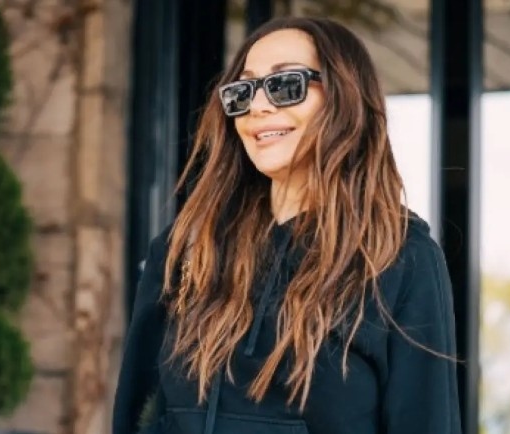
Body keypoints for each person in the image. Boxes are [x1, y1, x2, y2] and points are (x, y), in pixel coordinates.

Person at [113, 16, 462, 434]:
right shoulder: (187, 246)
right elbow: (136, 414)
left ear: (343, 97)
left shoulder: (399, 257)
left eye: (285, 84)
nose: (258, 107)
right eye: (243, 90)